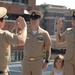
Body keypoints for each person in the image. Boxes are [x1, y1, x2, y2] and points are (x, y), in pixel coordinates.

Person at [21, 10, 52, 75]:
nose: (33, 21)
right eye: (32, 19)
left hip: (38, 62)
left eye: (35, 19)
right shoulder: (25, 32)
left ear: (39, 21)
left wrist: (46, 61)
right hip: (26, 61)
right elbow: (16, 40)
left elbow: (48, 49)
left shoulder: (44, 34)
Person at [0, 7, 27, 75]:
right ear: (1, 21)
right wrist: (24, 28)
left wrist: (15, 29)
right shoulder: (4, 34)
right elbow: (21, 41)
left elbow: (10, 40)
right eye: (5, 19)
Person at [56, 11, 75, 75]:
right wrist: (58, 29)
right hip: (68, 60)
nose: (74, 21)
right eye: (73, 19)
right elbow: (59, 41)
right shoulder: (68, 31)